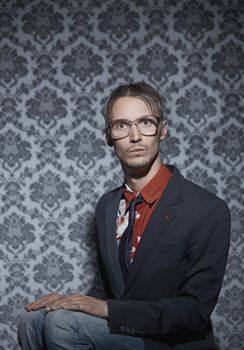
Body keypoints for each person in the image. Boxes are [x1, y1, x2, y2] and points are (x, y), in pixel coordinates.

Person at [17, 82, 230, 350]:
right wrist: (66, 302)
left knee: (62, 323)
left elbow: (194, 312)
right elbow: (105, 290)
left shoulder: (207, 209)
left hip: (170, 342)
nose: (135, 136)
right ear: (109, 137)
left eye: (145, 122)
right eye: (121, 125)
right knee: (33, 320)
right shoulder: (107, 205)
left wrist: (104, 310)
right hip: (119, 333)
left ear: (163, 130)